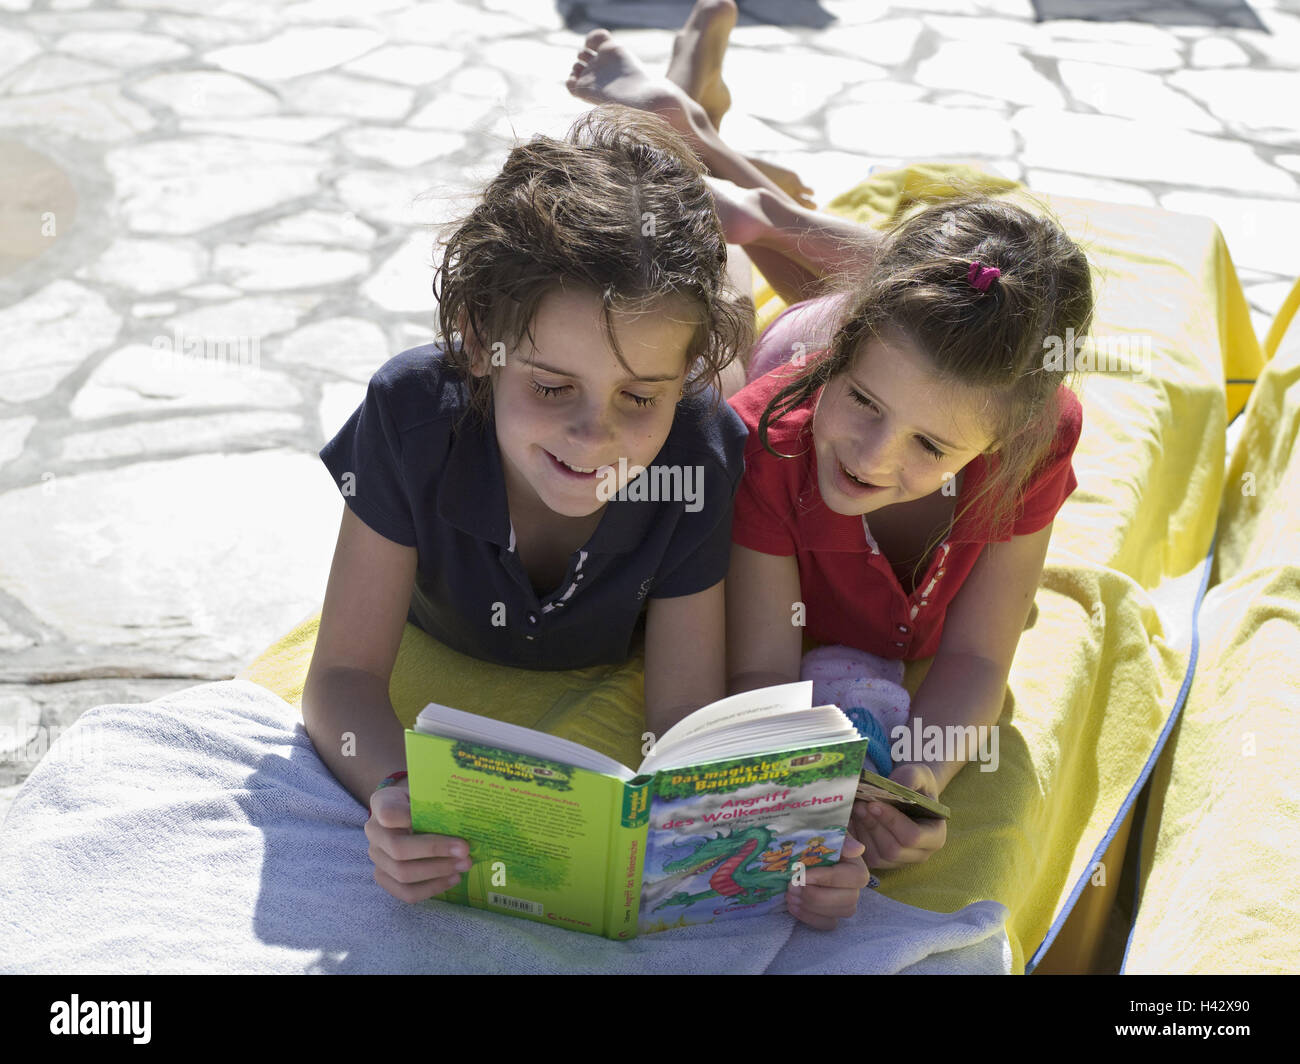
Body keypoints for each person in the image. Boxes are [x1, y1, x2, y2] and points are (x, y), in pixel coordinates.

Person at [303, 103, 872, 929]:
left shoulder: (699, 448)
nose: (592, 434)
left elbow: (682, 724)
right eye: (549, 385)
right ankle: (687, 120)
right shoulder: (410, 414)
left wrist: (792, 849)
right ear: (475, 338)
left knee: (784, 325)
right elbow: (342, 679)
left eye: (639, 396)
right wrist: (397, 793)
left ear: (679, 389)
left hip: (714, 360)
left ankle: (697, 129)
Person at [568, 2, 1096, 879]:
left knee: (925, 321)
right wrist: (811, 790)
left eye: (932, 448)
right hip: (796, 356)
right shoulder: (768, 438)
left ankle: (716, 148)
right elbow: (763, 670)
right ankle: (707, 168)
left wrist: (914, 779)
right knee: (711, 325)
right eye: (862, 404)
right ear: (839, 355)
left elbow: (974, 655)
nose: (875, 456)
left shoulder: (1035, 434)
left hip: (875, 339)